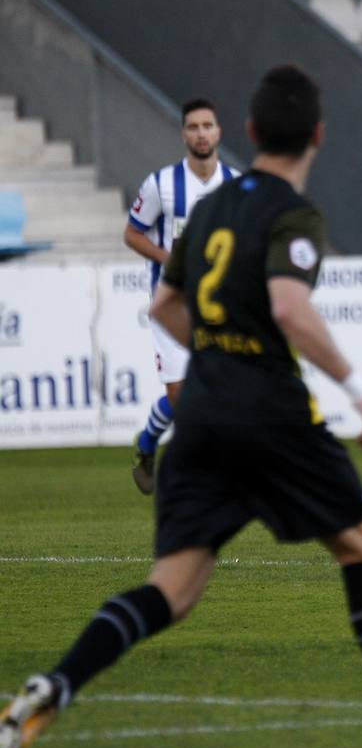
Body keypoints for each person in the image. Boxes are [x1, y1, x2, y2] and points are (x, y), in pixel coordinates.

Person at [0, 65, 362, 748]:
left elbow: (164, 306)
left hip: (202, 412)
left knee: (174, 588)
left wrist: (219, 350)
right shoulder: (293, 211)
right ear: (318, 135)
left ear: (248, 132)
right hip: (271, 411)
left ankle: (56, 685)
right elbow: (290, 307)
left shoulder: (212, 209)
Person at [124, 98, 239, 495]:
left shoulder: (236, 185)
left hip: (217, 308)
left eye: (208, 125)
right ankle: (151, 447)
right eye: (193, 127)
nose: (201, 133)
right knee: (183, 395)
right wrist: (167, 259)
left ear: (219, 131)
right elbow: (132, 233)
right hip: (169, 305)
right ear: (183, 134)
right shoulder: (160, 184)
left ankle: (164, 453)